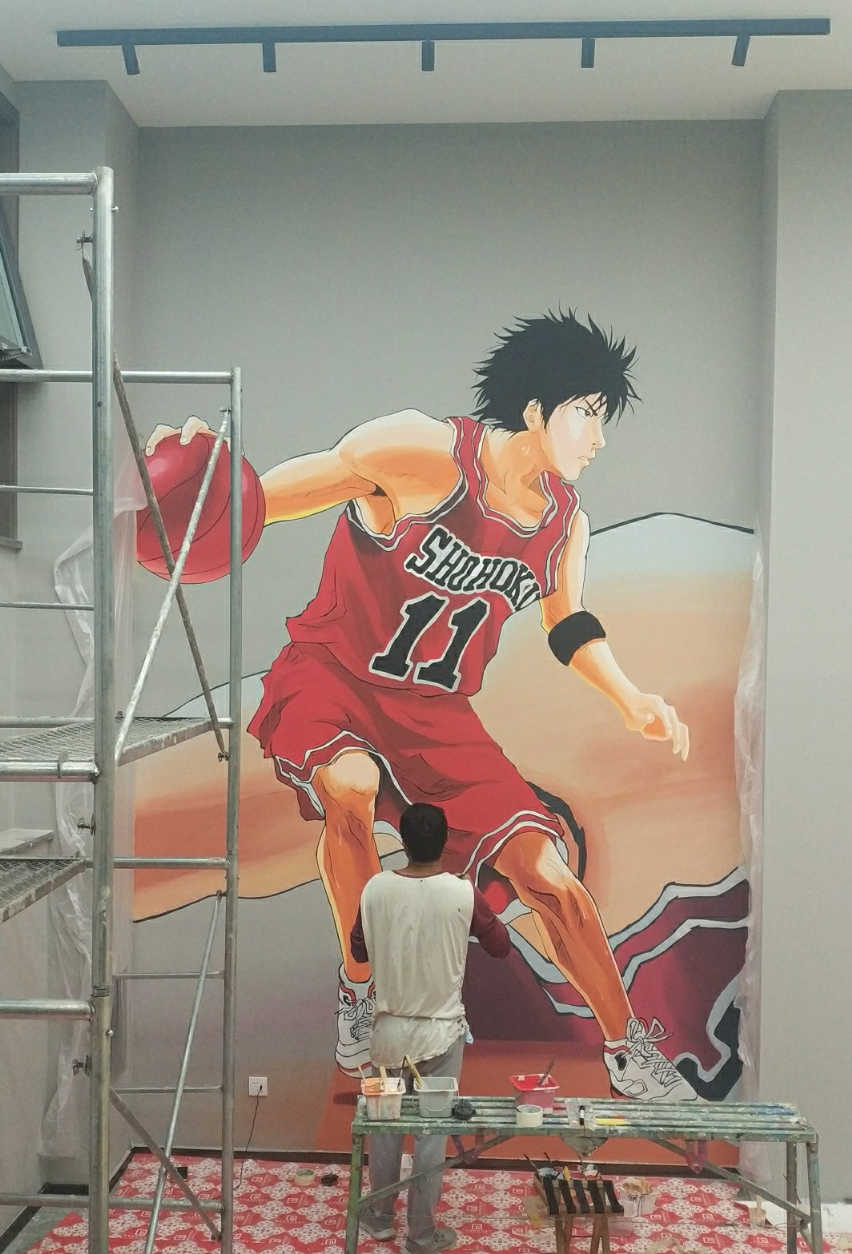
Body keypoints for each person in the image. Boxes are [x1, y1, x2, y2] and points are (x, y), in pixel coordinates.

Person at [145, 310, 697, 1101]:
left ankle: (627, 1050)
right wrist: (200, 486)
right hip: (334, 674)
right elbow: (266, 499)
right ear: (535, 409)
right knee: (351, 786)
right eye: (588, 412)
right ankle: (360, 986)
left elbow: (567, 621)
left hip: (438, 714)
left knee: (549, 876)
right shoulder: (419, 454)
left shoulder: (563, 524)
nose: (599, 438)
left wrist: (629, 694)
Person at [350, 801, 510, 1253]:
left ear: (402, 841)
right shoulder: (462, 893)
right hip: (441, 1033)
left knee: (385, 1129)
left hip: (388, 1036)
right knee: (430, 1136)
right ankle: (421, 1236)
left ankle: (379, 1219)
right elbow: (501, 946)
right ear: (445, 842)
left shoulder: (375, 889)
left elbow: (359, 951)